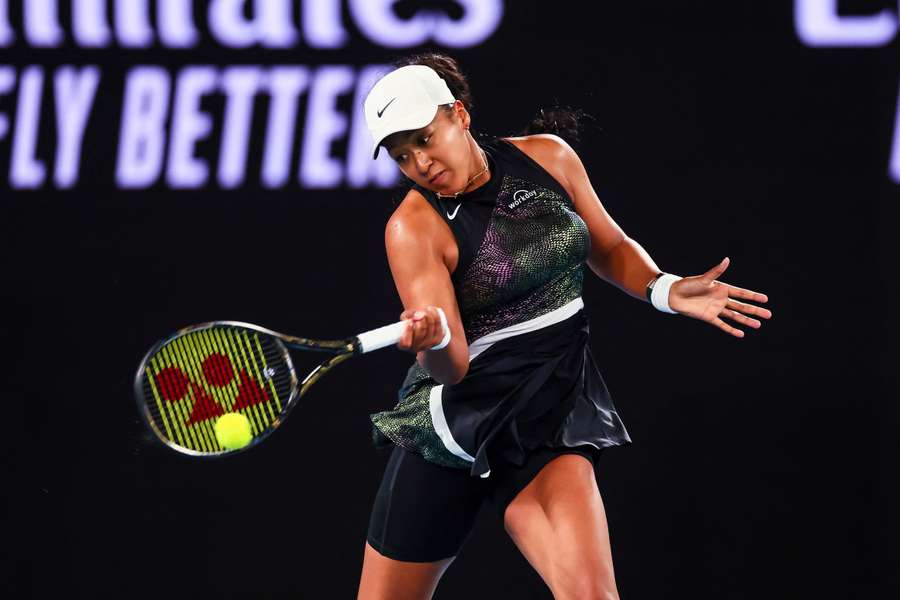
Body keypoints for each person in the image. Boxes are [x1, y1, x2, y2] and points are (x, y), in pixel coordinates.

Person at [357, 53, 772, 600]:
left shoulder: (549, 158)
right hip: (456, 427)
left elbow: (610, 246)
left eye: (425, 138)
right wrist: (431, 340)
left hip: (549, 409)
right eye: (402, 155)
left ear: (458, 114)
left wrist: (664, 288)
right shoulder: (412, 228)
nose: (420, 162)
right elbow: (452, 365)